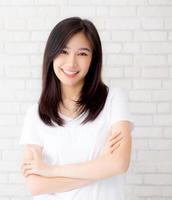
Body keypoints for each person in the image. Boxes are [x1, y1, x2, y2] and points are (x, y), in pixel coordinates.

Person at [19, 17, 134, 200]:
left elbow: (119, 163)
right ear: (51, 55)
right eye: (64, 52)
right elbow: (36, 185)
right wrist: (99, 167)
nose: (71, 63)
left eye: (82, 54)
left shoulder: (113, 100)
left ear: (93, 59)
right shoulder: (35, 114)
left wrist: (51, 171)